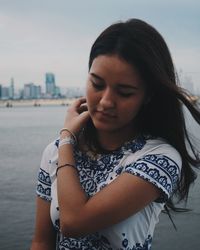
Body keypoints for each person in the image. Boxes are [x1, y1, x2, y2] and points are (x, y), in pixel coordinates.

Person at [30, 18, 200, 250]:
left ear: (147, 96)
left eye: (124, 92)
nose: (106, 101)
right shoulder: (55, 151)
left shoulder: (159, 158)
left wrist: (67, 137)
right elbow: (41, 242)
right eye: (97, 84)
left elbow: (74, 221)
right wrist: (66, 142)